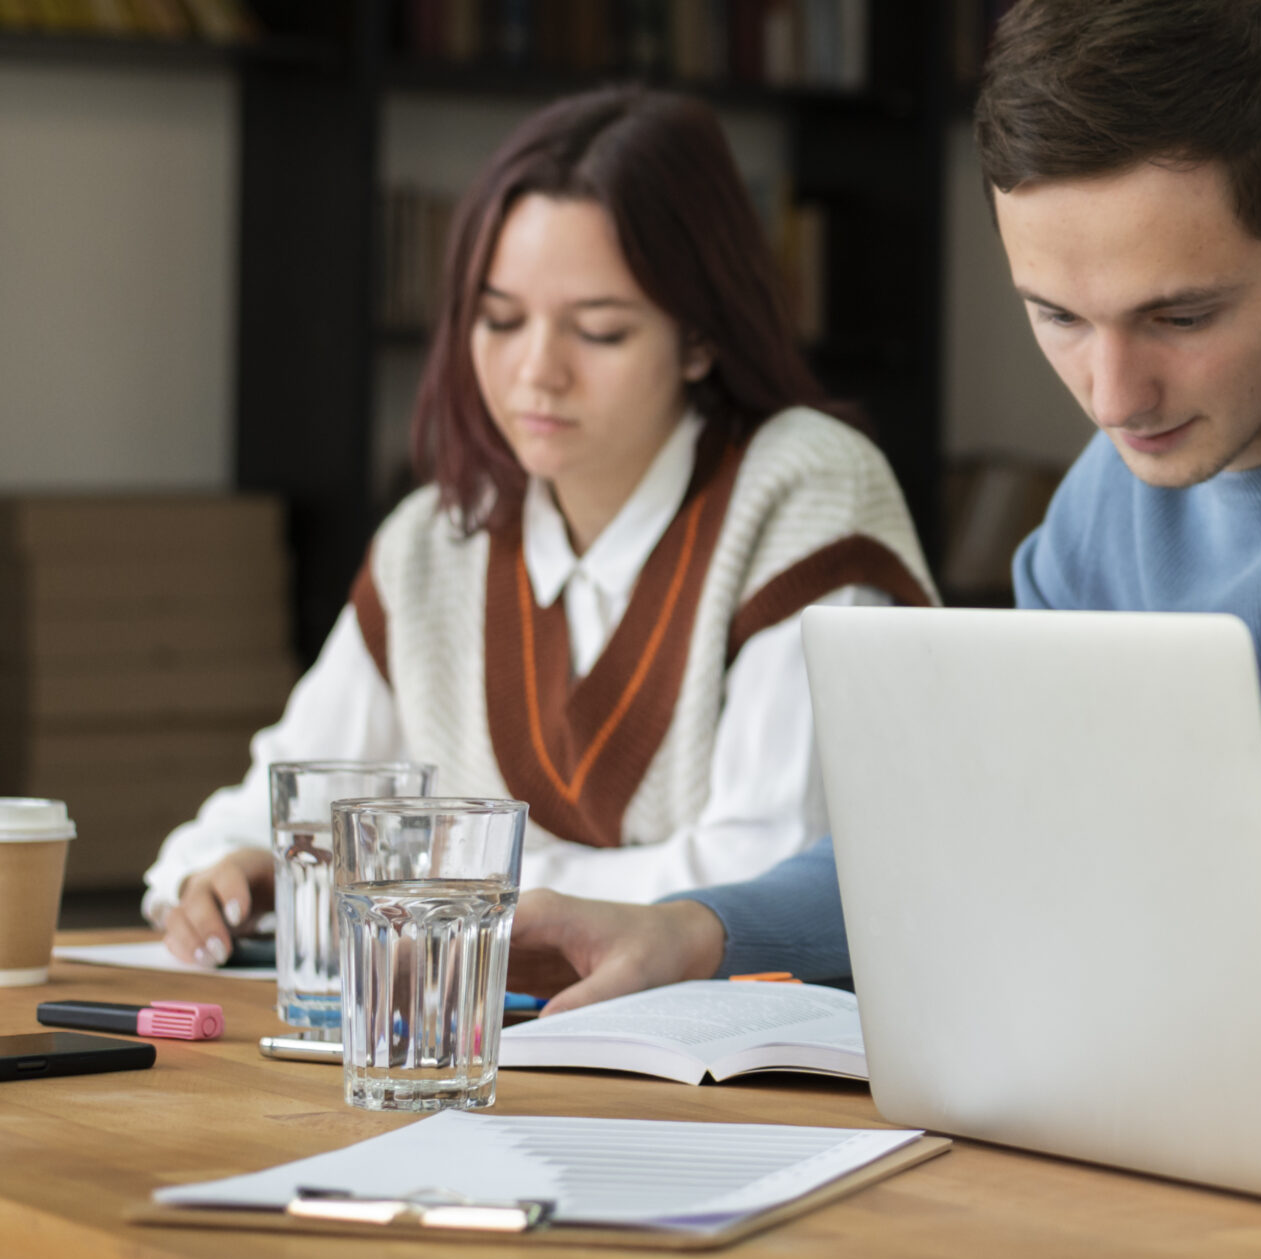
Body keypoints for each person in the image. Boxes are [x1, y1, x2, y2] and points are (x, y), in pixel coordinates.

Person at [507, 0, 1261, 1010]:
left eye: (1181, 313)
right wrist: (693, 931)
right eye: (1056, 316)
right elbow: (979, 827)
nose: (1113, 395)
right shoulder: (1114, 489)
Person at [146, 88, 935, 966]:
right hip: (500, 1064)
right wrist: (228, 871)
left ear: (701, 339)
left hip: (758, 1074)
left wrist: (439, 877)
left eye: (598, 331)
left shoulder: (807, 488)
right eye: (500, 319)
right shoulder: (434, 541)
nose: (535, 372)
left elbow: (774, 864)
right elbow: (280, 802)